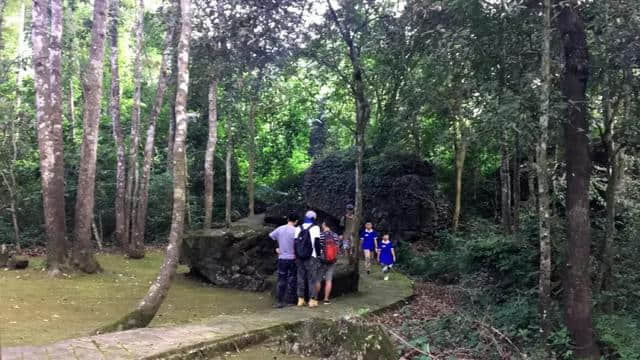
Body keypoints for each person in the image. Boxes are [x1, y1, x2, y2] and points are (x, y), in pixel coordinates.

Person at [269, 213, 299, 308]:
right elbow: (298, 244)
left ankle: (279, 302)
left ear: (288, 219)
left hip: (282, 258)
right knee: (292, 279)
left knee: (281, 280)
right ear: (296, 221)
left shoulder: (280, 229)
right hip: (292, 258)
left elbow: (270, 237)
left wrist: (276, 248)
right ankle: (291, 301)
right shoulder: (296, 230)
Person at [295, 210, 322, 307]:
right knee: (312, 278)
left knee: (300, 278)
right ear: (314, 218)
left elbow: (295, 243)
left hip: (299, 257)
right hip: (312, 256)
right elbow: (317, 243)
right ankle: (312, 300)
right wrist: (319, 255)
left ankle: (300, 300)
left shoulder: (298, 228)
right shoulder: (315, 228)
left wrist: (297, 255)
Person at [318, 220, 338, 304]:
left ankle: (315, 298)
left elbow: (317, 247)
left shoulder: (321, 235)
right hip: (332, 260)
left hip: (322, 260)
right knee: (328, 280)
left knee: (317, 279)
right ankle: (326, 299)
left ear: (325, 225)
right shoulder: (335, 235)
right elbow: (337, 248)